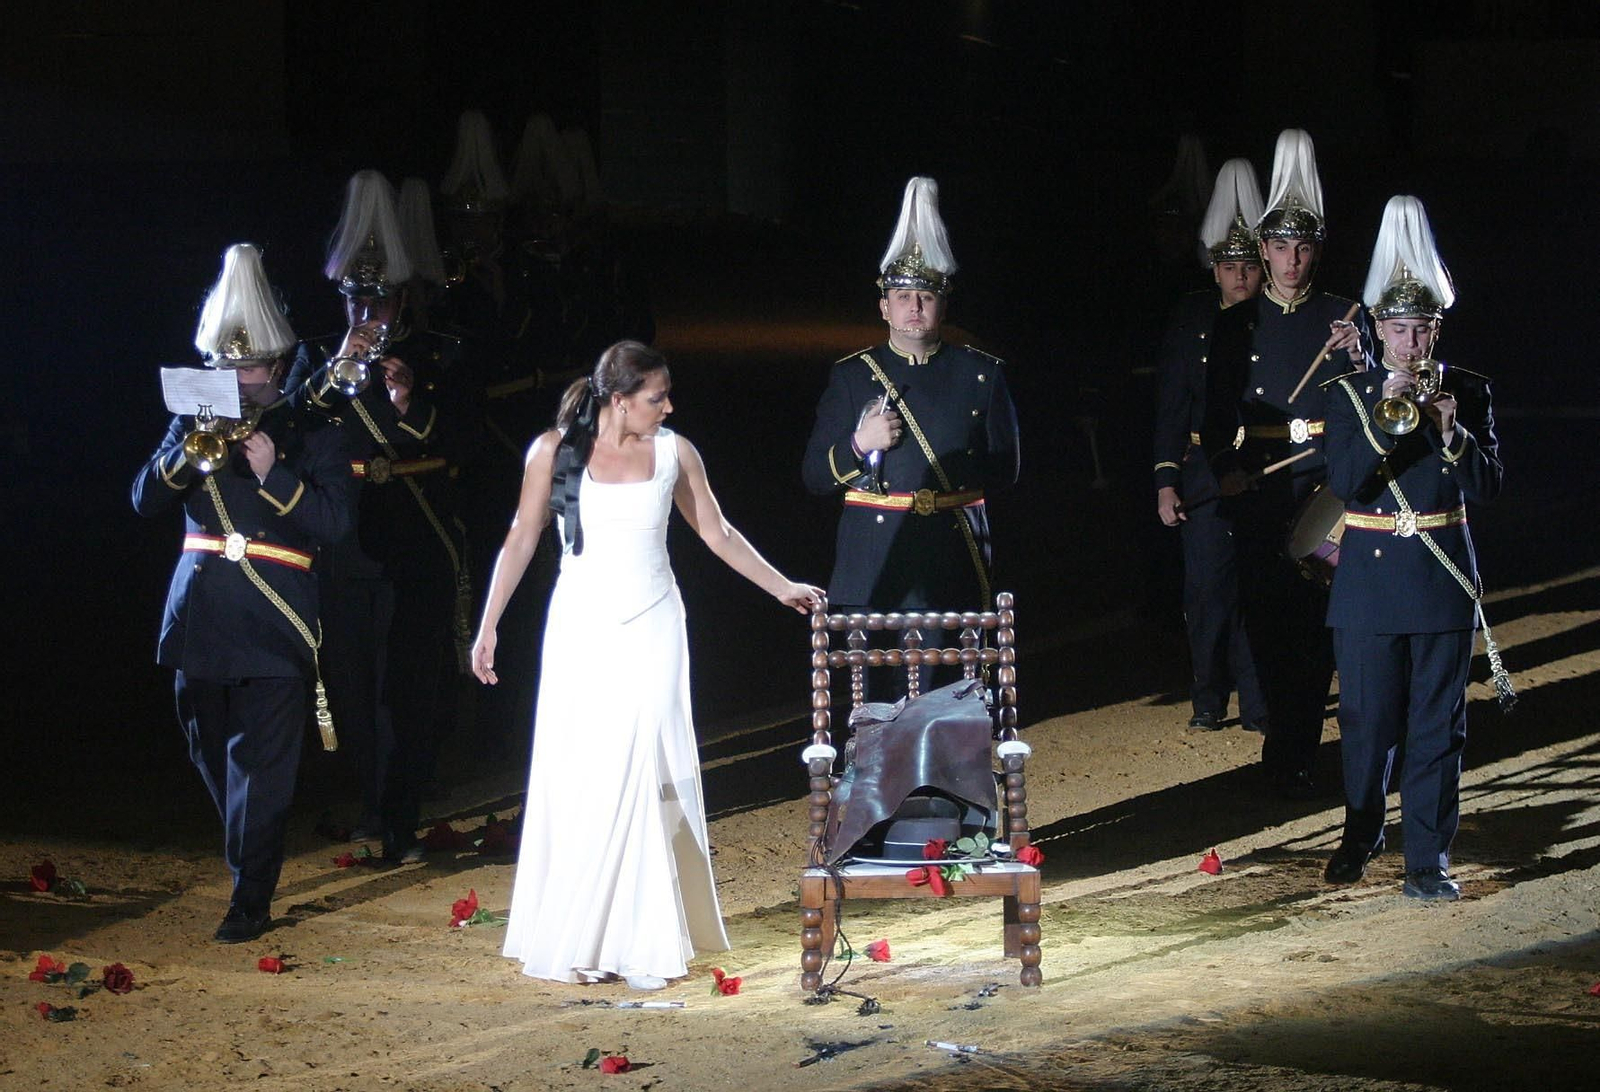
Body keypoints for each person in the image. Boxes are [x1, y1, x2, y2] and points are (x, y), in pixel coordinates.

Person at [471, 340, 820, 989]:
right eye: (657, 397)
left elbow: (716, 533)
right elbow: (522, 537)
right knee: (590, 772)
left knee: (642, 760)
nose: (668, 406)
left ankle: (643, 940)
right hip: (581, 629)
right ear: (619, 399)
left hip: (656, 623)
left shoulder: (675, 452)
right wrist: (488, 624)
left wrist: (781, 586)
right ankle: (587, 937)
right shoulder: (553, 451)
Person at [132, 244, 352, 943]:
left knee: (259, 769)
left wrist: (273, 475)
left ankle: (249, 897)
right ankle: (249, 847)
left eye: (250, 368)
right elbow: (141, 501)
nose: (237, 380)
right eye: (227, 367)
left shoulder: (312, 428)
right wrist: (185, 452)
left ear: (279, 368)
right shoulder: (191, 421)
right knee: (209, 753)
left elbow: (334, 525)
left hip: (274, 618)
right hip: (199, 615)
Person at [1321, 196, 1506, 899]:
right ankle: (1361, 831)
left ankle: (1427, 859)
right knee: (1368, 730)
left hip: (1439, 583)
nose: (1411, 345)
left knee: (1438, 730)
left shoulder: (1470, 392)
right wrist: (1391, 418)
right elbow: (1345, 482)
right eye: (1398, 331)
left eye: (1422, 330)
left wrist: (1453, 435)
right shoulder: (1349, 396)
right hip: (1368, 588)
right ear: (1379, 329)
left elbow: (1489, 488)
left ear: (1436, 329)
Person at [287, 170, 474, 862]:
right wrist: (337, 373)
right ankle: (373, 801)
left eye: (381, 299)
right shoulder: (314, 360)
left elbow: (463, 443)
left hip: (411, 542)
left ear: (402, 297)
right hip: (344, 548)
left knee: (407, 689)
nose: (369, 313)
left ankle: (400, 814)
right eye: (356, 299)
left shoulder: (434, 356)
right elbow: (293, 432)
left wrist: (404, 410)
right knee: (351, 690)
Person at [1200, 129, 1373, 797]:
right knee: (1264, 623)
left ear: (1316, 251)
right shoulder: (1236, 324)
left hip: (1327, 494)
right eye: (1280, 247)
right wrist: (1223, 467)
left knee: (1318, 629)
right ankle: (1285, 732)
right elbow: (1214, 417)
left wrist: (1358, 360)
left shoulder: (1343, 317)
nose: (1291, 259)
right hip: (1258, 492)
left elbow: (1369, 412)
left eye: (1303, 248)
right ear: (1264, 249)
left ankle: (1299, 743)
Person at [802, 176, 1020, 619]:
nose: (914, 306)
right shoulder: (851, 376)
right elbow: (814, 477)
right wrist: (861, 444)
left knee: (954, 687)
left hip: (953, 557)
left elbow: (1006, 470)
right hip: (875, 564)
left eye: (925, 296)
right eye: (902, 297)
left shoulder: (982, 373)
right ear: (884, 307)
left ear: (943, 306)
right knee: (879, 688)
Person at [1153, 157, 1269, 732]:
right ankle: (1207, 698)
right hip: (1201, 470)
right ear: (1214, 266)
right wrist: (1165, 479)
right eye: (1229, 264)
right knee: (1207, 592)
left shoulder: (1272, 320)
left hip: (1266, 466)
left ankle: (1259, 702)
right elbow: (1173, 402)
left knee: (1256, 589)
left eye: (1249, 264)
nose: (1240, 275)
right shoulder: (1193, 316)